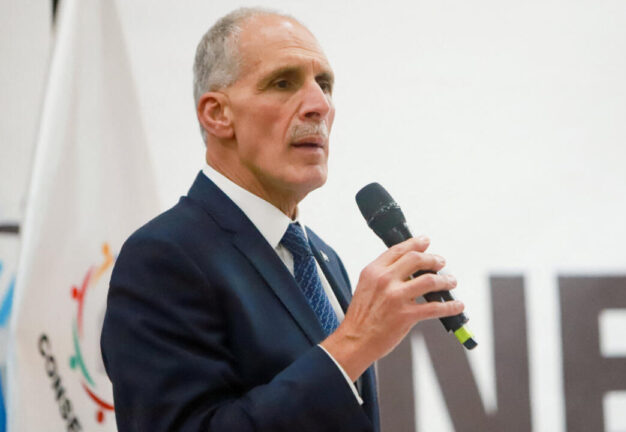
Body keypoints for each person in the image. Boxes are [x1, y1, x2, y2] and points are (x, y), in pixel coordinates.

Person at [100, 7, 463, 432]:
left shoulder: (322, 258)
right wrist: (353, 343)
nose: (319, 105)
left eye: (324, 85)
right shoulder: (163, 257)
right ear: (217, 114)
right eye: (283, 82)